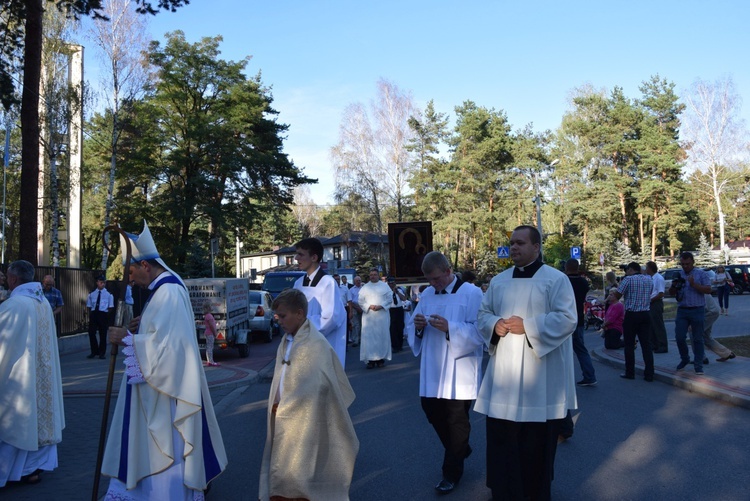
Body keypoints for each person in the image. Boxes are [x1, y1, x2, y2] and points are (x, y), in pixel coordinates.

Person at [102, 221, 227, 498]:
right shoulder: (164, 288)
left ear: (146, 265)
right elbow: (163, 333)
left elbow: (169, 349)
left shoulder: (168, 291)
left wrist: (126, 337)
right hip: (157, 385)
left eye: (131, 272)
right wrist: (141, 325)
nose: (130, 279)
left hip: (165, 393)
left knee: (164, 446)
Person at [475, 225, 578, 501]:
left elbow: (568, 319)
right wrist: (493, 324)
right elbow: (482, 313)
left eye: (521, 243)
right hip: (504, 379)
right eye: (511, 243)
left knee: (535, 448)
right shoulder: (499, 280)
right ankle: (504, 493)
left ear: (536, 247)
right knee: (503, 444)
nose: (514, 248)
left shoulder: (555, 280)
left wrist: (529, 326)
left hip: (540, 379)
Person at [259, 289, 359, 501]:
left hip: (305, 417)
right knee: (283, 467)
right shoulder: (286, 341)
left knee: (302, 468)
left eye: (283, 316)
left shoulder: (316, 344)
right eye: (277, 316)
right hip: (282, 413)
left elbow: (322, 383)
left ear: (300, 314)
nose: (279, 320)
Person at [406, 252, 484, 495]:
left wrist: (451, 327)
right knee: (430, 410)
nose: (433, 284)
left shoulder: (472, 293)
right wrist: (418, 327)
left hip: (460, 367)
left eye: (437, 279)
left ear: (449, 270)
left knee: (457, 421)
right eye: (429, 279)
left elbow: (480, 331)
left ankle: (451, 473)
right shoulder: (428, 294)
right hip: (433, 366)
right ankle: (460, 449)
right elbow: (412, 325)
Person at [0, 261, 65, 487]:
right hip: (41, 375)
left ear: (14, 280)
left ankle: (14, 471)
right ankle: (32, 469)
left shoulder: (14, 305)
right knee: (39, 420)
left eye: (7, 277)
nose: (6, 281)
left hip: (20, 378)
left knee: (17, 421)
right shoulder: (42, 303)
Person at [292, 238, 347, 368]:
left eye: (300, 254)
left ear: (314, 257)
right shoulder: (298, 283)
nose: (295, 258)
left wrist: (301, 325)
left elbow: (331, 318)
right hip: (301, 343)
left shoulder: (327, 282)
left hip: (321, 344)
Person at [669, 252, 712, 375]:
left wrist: (694, 284)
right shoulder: (679, 274)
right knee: (679, 337)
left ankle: (698, 365)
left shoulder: (701, 274)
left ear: (692, 262)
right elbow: (671, 293)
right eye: (683, 264)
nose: (685, 266)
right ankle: (685, 358)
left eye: (687, 264)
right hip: (682, 310)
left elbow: (708, 289)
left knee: (697, 338)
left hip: (697, 309)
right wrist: (674, 286)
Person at [613, 262, 654, 381]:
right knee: (646, 345)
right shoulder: (649, 279)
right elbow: (650, 293)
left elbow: (617, 294)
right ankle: (649, 374)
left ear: (631, 269)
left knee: (629, 345)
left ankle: (630, 372)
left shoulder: (628, 280)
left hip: (632, 315)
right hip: (646, 314)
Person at [564, 259, 597, 386]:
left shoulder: (564, 281)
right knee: (581, 349)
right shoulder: (583, 282)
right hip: (578, 319)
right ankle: (589, 375)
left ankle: (562, 379)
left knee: (561, 351)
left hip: (565, 319)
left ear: (567, 267)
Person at [358, 268, 392, 369]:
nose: (373, 276)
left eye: (375, 274)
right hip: (369, 317)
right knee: (369, 338)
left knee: (382, 337)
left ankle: (380, 359)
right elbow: (360, 301)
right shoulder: (365, 287)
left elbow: (389, 299)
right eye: (371, 274)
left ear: (378, 275)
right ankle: (370, 360)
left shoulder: (385, 286)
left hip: (381, 316)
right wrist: (369, 306)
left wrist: (381, 306)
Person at [696, 293, 736, 363]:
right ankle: (727, 354)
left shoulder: (694, 287)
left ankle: (701, 358)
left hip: (708, 312)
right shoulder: (699, 285)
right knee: (706, 337)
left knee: (694, 333)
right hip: (712, 311)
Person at [86, 275, 114, 359]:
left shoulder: (109, 295)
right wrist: (91, 314)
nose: (103, 284)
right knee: (91, 333)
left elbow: (111, 307)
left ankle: (102, 352)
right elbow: (89, 306)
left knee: (103, 334)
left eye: (104, 282)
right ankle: (94, 351)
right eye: (101, 282)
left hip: (103, 314)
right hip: (94, 313)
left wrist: (105, 314)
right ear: (97, 282)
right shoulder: (91, 294)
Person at [645, 261, 668, 353]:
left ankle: (662, 345)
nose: (646, 270)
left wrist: (651, 299)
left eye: (646, 268)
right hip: (651, 303)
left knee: (658, 325)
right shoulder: (651, 278)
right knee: (651, 325)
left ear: (650, 268)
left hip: (656, 303)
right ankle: (654, 344)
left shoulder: (658, 278)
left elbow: (661, 293)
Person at [387, 276, 408, 353]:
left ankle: (400, 345)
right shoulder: (386, 291)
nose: (392, 285)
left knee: (400, 327)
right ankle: (395, 346)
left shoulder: (399, 289)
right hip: (391, 309)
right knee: (392, 328)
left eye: (393, 283)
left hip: (399, 309)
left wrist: (397, 292)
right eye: (390, 283)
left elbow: (404, 299)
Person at [348, 276, 363, 347]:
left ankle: (362, 340)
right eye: (357, 280)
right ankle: (356, 340)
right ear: (354, 281)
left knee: (363, 324)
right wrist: (356, 308)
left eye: (359, 280)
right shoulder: (351, 290)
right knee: (356, 325)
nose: (358, 282)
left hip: (363, 307)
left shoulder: (364, 288)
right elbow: (350, 301)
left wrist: (362, 307)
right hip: (354, 307)